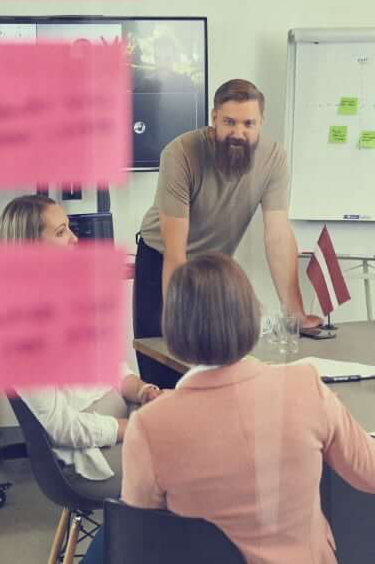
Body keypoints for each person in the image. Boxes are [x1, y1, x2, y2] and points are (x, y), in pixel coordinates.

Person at [121, 254, 375, 564]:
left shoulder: (149, 427)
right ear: (250, 315)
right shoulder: (304, 386)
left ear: (173, 325)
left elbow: (141, 541)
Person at [134, 78, 320, 387]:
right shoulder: (180, 154)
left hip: (215, 268)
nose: (238, 133)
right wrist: (178, 323)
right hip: (162, 261)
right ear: (213, 119)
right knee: (164, 364)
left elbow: (277, 235)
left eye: (249, 123)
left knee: (217, 367)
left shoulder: (274, 158)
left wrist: (295, 312)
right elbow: (176, 251)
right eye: (229, 122)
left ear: (261, 123)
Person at [0, 194, 162, 503]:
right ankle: (131, 549)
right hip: (90, 458)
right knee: (189, 465)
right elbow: (62, 428)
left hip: (118, 426)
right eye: (61, 232)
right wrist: (131, 429)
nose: (75, 239)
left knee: (195, 436)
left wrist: (143, 391)